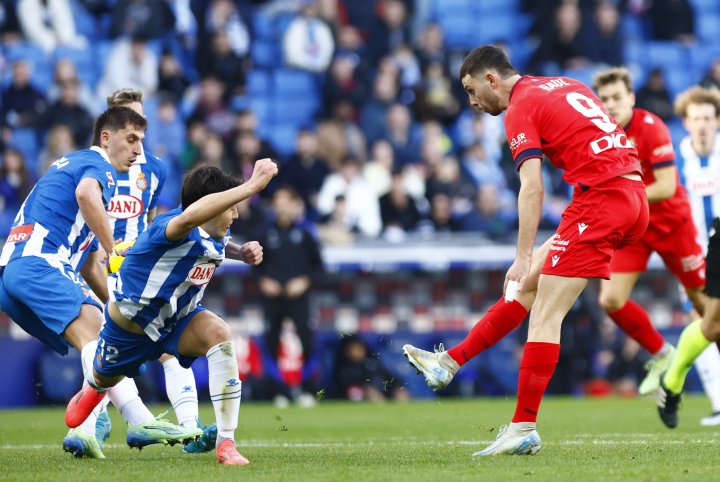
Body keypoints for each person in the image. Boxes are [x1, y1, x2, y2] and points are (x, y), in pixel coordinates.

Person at [402, 45, 649, 455]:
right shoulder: (567, 83)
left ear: (490, 79)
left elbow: (531, 187)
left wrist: (520, 253)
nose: (472, 102)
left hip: (602, 200)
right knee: (528, 286)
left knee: (545, 315)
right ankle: (448, 364)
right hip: (628, 194)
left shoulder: (520, 107)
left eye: (471, 90)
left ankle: (523, 427)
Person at [0, 106, 202, 459]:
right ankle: (136, 419)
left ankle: (86, 430)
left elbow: (92, 266)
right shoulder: (97, 166)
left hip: (15, 272)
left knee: (99, 333)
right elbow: (86, 195)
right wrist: (115, 247)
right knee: (97, 333)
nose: (138, 149)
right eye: (131, 139)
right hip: (39, 262)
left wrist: (127, 313)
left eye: (141, 140)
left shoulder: (72, 168)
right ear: (106, 138)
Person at [64, 160, 278, 465]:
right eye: (230, 205)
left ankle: (226, 443)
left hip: (178, 320)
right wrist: (252, 186)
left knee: (220, 333)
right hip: (130, 329)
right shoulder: (172, 225)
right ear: (208, 205)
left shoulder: (213, 233)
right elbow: (190, 219)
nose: (236, 212)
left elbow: (213, 242)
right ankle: (94, 388)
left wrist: (239, 253)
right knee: (103, 376)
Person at [100, 88, 218, 452]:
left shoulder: (155, 169)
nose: (136, 133)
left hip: (137, 269)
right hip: (99, 263)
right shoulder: (93, 166)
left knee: (164, 348)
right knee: (104, 350)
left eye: (140, 121)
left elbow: (153, 220)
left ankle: (188, 429)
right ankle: (97, 421)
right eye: (128, 121)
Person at [592, 67, 710, 397]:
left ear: (631, 97)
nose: (611, 104)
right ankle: (662, 354)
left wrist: (621, 194)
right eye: (604, 99)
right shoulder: (599, 134)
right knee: (611, 299)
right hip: (634, 228)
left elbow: (668, 185)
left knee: (706, 307)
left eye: (617, 97)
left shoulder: (651, 127)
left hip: (672, 225)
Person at [657, 86, 720, 428]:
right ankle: (717, 403)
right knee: (706, 325)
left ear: (717, 121)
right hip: (693, 255)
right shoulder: (675, 159)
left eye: (708, 119)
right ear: (685, 121)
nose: (702, 125)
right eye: (695, 119)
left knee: (710, 324)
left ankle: (673, 379)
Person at [254, 186, 324, 407]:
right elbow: (255, 265)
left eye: (285, 202)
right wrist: (264, 280)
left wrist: (304, 281)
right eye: (277, 202)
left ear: (295, 205)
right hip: (273, 298)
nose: (281, 207)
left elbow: (319, 267)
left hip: (299, 298)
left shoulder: (306, 233)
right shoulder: (264, 233)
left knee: (307, 342)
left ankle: (307, 391)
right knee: (271, 342)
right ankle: (279, 392)